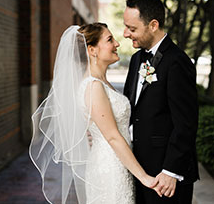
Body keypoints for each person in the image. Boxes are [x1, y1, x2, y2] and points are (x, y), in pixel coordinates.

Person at [29, 23, 158, 204]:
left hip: (117, 162)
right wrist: (145, 178)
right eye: (109, 40)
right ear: (92, 50)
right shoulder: (93, 86)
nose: (117, 44)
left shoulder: (101, 82)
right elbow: (112, 136)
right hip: (111, 167)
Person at [123, 0, 200, 204]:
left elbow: (186, 123)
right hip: (139, 170)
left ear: (153, 25)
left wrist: (170, 171)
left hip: (166, 176)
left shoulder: (178, 62)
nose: (125, 34)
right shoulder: (136, 59)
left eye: (132, 28)